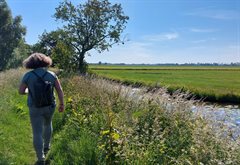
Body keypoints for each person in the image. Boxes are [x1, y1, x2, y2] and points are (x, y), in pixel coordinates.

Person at [19, 53, 64, 164]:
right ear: (45, 62)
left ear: (31, 63)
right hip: (50, 106)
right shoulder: (52, 75)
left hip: (35, 107)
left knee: (37, 132)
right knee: (48, 124)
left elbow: (21, 91)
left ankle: (40, 158)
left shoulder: (28, 76)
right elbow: (59, 90)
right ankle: (47, 147)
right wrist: (62, 104)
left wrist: (28, 91)